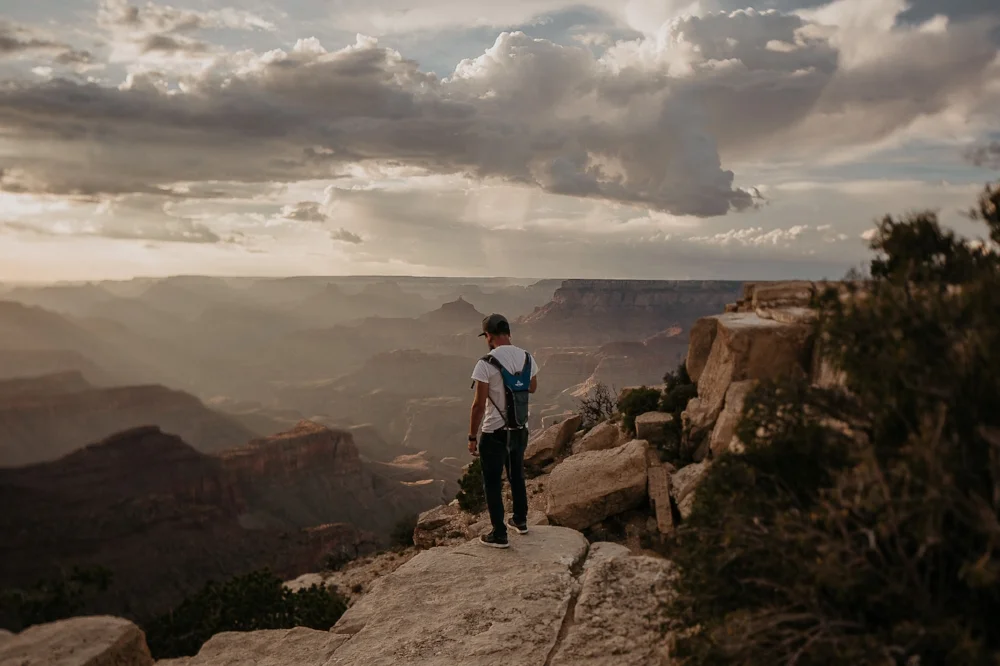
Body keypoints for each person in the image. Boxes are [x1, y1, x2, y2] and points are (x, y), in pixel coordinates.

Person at [468, 313, 538, 548]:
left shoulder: (486, 363)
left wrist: (471, 437)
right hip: (520, 428)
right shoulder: (527, 357)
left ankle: (499, 533)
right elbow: (532, 387)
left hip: (495, 431)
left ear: (488, 335)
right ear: (508, 333)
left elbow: (478, 405)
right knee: (516, 474)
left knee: (492, 482)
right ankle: (520, 520)